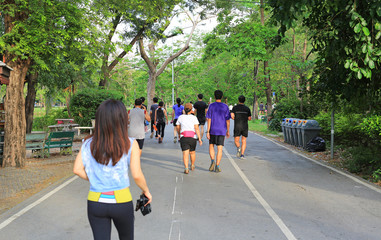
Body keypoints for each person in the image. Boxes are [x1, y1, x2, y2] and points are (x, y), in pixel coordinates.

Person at [73, 99, 152, 240]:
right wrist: (146, 191)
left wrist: (96, 178)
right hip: (121, 202)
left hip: (95, 202)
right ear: (121, 119)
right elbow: (137, 175)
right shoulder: (130, 143)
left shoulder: (87, 143)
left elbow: (77, 169)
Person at [206, 90, 230, 173]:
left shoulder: (211, 106)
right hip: (221, 130)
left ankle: (212, 161)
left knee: (211, 146)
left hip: (213, 129)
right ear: (222, 97)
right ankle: (217, 165)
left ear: (214, 96)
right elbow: (227, 120)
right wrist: (228, 130)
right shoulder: (225, 106)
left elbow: (209, 119)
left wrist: (208, 131)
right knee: (220, 148)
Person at [176, 103, 202, 174]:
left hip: (183, 137)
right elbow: (196, 128)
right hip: (192, 137)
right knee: (192, 152)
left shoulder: (180, 117)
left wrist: (179, 134)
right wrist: (199, 138)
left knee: (185, 154)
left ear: (184, 109)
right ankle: (192, 165)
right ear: (191, 110)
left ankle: (186, 168)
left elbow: (178, 127)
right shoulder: (194, 118)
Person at [231, 95, 252, 159]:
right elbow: (249, 118)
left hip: (237, 126)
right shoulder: (247, 108)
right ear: (244, 101)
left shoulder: (235, 108)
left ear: (238, 100)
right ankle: (242, 155)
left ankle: (238, 148)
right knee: (244, 140)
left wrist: (236, 118)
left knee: (236, 141)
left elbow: (232, 116)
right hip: (245, 126)